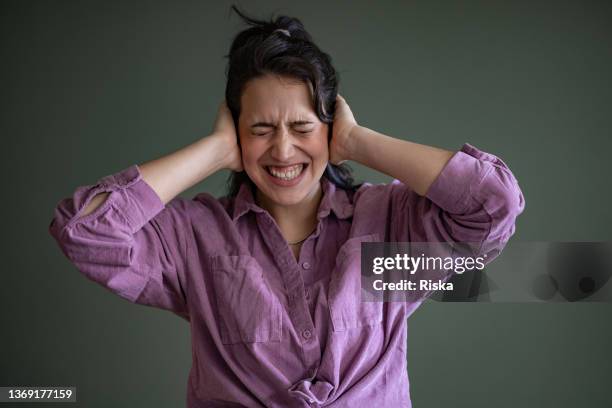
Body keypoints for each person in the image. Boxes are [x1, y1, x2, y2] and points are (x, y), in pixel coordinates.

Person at [48, 6, 525, 408]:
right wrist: (212, 150)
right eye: (260, 130)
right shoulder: (195, 234)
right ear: (236, 132)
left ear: (329, 127)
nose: (282, 150)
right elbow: (85, 232)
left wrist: (360, 141)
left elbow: (492, 205)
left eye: (301, 128)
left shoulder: (388, 224)